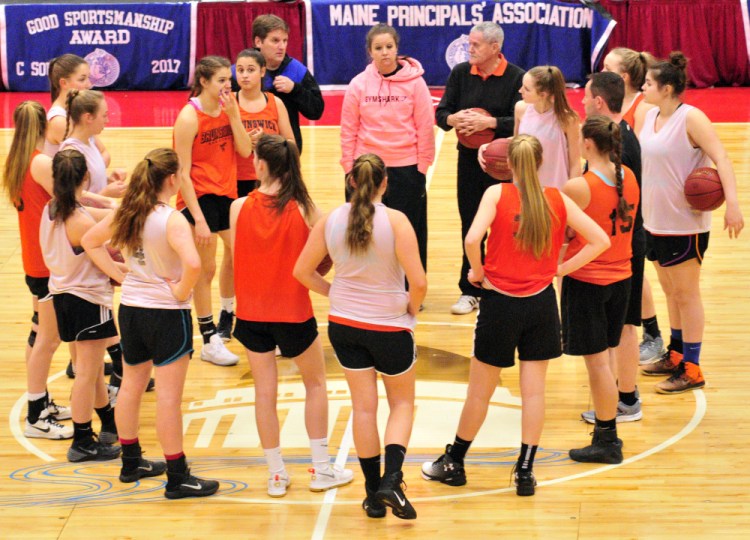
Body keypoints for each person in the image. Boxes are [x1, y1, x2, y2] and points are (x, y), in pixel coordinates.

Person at [421, 135, 609, 496]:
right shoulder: (558, 198)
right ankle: (525, 471)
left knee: (480, 393)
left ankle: (454, 462)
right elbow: (600, 239)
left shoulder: (497, 194)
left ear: (508, 165)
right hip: (541, 305)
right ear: (539, 163)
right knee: (534, 394)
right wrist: (560, 269)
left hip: (500, 305)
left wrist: (476, 273)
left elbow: (472, 238)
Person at [294, 153, 426, 519]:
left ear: (351, 181)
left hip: (344, 326)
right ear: (385, 183)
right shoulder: (396, 221)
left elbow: (302, 271)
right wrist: (412, 307)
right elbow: (419, 282)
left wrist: (334, 294)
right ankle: (391, 481)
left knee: (364, 408)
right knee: (400, 404)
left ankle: (372, 495)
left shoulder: (329, 220)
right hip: (389, 324)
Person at [82, 148, 219, 499]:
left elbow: (89, 242)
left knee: (131, 385)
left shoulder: (128, 211)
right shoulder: (171, 219)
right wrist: (181, 294)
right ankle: (177, 475)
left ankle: (132, 461)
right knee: (169, 400)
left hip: (130, 310)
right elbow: (193, 265)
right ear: (172, 180)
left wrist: (117, 274)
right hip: (166, 315)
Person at [229, 134, 353, 497]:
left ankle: (276, 474)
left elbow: (242, 257)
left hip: (251, 312)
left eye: (254, 158)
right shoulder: (305, 208)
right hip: (292, 311)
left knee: (264, 393)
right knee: (315, 385)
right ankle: (322, 469)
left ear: (263, 165)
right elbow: (323, 256)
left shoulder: (238, 208)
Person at [638, 52, 744, 393]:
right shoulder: (650, 115)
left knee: (686, 294)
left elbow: (722, 158)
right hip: (653, 220)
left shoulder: (692, 118)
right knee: (670, 292)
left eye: (649, 83)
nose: (643, 87)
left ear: (667, 88)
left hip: (685, 223)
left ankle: (694, 368)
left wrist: (733, 206)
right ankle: (676, 352)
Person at [562, 116, 639, 463]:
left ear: (588, 144)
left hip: (588, 280)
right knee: (605, 359)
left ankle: (608, 439)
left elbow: (562, 234)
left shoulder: (579, 186)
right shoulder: (629, 177)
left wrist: (557, 268)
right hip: (622, 277)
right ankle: (604, 432)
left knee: (597, 365)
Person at [435, 21, 524, 315]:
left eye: (475, 45)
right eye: (469, 44)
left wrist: (491, 123)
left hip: (505, 165)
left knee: (505, 225)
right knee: (471, 225)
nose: (469, 49)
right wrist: (454, 119)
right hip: (469, 162)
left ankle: (504, 284)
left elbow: (523, 123)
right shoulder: (461, 73)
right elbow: (441, 113)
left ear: (495, 48)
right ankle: (470, 288)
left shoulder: (516, 78)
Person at [39, 149, 121, 462]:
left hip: (62, 296)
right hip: (87, 298)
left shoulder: (51, 209)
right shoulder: (79, 221)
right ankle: (83, 440)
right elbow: (109, 255)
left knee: (92, 369)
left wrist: (101, 199)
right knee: (87, 373)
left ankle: (108, 422)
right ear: (84, 177)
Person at [173, 55, 252, 366]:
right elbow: (181, 172)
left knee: (244, 255)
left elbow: (246, 150)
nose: (226, 87)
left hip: (227, 195)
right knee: (204, 270)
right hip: (198, 198)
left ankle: (236, 319)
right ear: (203, 82)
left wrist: (234, 117)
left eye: (228, 81)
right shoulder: (189, 117)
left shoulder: (228, 109)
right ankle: (208, 339)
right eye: (221, 81)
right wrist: (199, 219)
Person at [339, 23, 435, 274]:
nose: (384, 52)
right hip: (366, 167)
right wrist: (349, 168)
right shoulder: (358, 84)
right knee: (362, 229)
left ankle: (410, 283)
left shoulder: (416, 84)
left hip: (406, 167)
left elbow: (425, 125)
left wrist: (423, 166)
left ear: (397, 49)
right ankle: (365, 280)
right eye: (378, 48)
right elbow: (348, 128)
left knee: (409, 230)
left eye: (389, 47)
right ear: (370, 52)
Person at [2, 101, 72, 439]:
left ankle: (41, 400)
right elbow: (71, 202)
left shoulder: (17, 160)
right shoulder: (41, 162)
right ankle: (35, 417)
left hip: (35, 260)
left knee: (38, 332)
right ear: (45, 125)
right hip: (47, 263)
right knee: (49, 339)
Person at [579, 72, 644, 424]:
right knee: (622, 325)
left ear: (599, 102)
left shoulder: (620, 147)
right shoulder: (620, 137)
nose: (583, 102)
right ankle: (622, 397)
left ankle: (627, 399)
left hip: (620, 246)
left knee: (623, 326)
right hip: (623, 242)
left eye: (587, 97)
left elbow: (616, 199)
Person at [223, 49, 295, 342]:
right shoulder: (229, 105)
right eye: (240, 70)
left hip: (270, 185)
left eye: (251, 69)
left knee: (271, 252)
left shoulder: (275, 103)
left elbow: (291, 143)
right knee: (232, 251)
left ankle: (272, 309)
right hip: (237, 184)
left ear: (263, 71)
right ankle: (228, 312)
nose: (244, 75)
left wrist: (268, 143)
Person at [601, 47, 665, 364]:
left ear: (623, 76)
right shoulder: (613, 105)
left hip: (638, 201)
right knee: (630, 269)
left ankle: (652, 334)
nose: (600, 70)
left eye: (607, 66)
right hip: (617, 198)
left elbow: (636, 160)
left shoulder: (640, 110)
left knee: (635, 269)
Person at [488, 65, 580, 189]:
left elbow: (575, 162)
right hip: (525, 188)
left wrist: (573, 193)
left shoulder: (567, 119)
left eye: (526, 88)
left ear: (542, 95)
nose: (520, 90)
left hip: (556, 189)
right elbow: (516, 142)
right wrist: (488, 146)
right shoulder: (520, 109)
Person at [250, 14, 324, 153]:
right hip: (249, 153)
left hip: (286, 153)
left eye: (285, 41)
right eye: (275, 40)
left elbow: (316, 111)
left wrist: (295, 89)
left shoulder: (296, 70)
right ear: (258, 42)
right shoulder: (242, 72)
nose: (282, 46)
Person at [602, 48, 655, 133]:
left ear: (624, 77)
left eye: (608, 69)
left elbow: (638, 145)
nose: (602, 72)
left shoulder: (644, 106)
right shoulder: (603, 100)